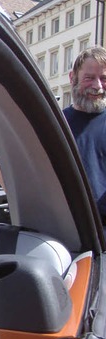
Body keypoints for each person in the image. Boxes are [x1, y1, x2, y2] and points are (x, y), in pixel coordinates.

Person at [63, 46, 106, 225]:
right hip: (67, 236)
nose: (97, 86)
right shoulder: (55, 124)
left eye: (104, 79)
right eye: (89, 78)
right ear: (73, 78)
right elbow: (4, 172)